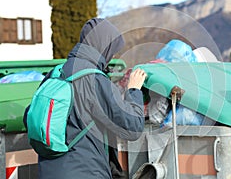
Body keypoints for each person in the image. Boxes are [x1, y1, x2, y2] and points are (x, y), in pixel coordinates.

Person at [23, 18, 147, 179]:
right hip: (86, 172)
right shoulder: (95, 80)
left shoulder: (56, 73)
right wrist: (134, 89)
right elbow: (132, 127)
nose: (112, 55)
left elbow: (30, 116)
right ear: (104, 47)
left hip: (49, 171)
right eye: (112, 50)